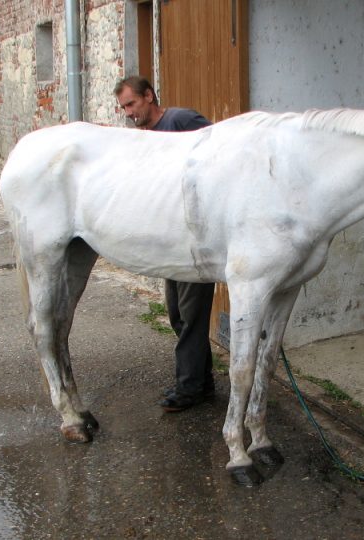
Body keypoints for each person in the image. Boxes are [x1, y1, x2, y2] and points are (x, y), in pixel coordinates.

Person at [114, 76, 215, 412]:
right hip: (168, 242)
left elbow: (219, 156)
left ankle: (188, 389)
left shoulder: (182, 120)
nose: (128, 113)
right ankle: (203, 382)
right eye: (124, 108)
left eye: (131, 104)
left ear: (149, 95)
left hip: (194, 242)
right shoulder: (146, 137)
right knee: (177, 315)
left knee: (191, 316)